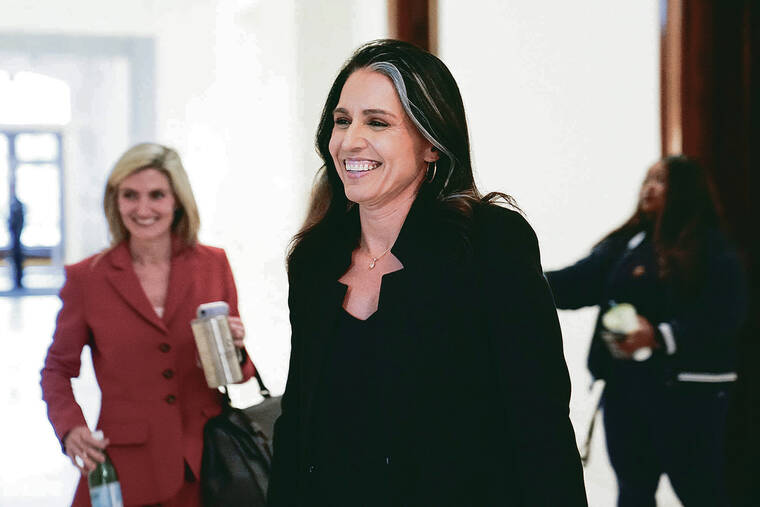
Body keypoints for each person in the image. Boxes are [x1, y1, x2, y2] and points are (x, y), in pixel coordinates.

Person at [268, 39, 587, 506]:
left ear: (431, 145)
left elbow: (539, 421)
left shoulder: (489, 242)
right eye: (342, 121)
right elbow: (297, 422)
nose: (350, 140)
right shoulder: (315, 259)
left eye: (377, 122)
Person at [41, 143, 256, 506]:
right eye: (130, 195)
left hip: (207, 463)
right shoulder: (87, 279)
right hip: (125, 466)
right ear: (115, 200)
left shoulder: (213, 264)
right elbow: (57, 369)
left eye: (156, 195)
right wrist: (71, 427)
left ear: (177, 200)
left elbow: (233, 375)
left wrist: (233, 348)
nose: (143, 209)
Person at [546, 155, 747, 507]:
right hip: (628, 394)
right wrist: (520, 280)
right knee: (634, 493)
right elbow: (575, 283)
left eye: (662, 181)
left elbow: (723, 316)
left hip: (689, 397)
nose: (649, 187)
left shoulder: (711, 248)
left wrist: (661, 335)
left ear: (685, 192)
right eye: (648, 179)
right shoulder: (627, 244)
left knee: (702, 492)